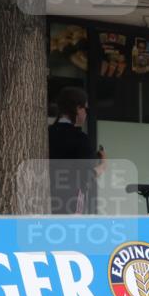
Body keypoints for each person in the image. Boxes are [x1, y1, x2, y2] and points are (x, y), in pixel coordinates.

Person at [48, 86, 105, 214]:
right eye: (85, 108)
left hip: (44, 198)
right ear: (78, 108)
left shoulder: (47, 134)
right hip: (70, 201)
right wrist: (103, 165)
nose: (86, 113)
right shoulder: (80, 139)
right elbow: (86, 175)